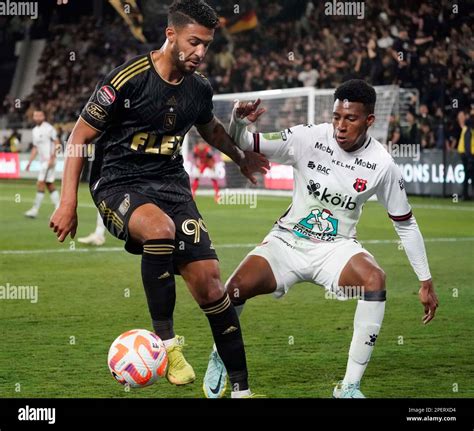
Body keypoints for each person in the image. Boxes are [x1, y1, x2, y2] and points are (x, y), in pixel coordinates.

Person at [49, 0, 269, 398]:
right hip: (118, 183)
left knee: (211, 287)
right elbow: (79, 137)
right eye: (194, 42)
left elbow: (212, 130)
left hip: (170, 185)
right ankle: (168, 346)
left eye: (206, 45)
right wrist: (67, 202)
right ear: (171, 35)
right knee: (159, 229)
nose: (200, 53)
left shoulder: (199, 89)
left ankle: (241, 391)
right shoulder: (126, 80)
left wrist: (241, 157)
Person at [203, 79, 439, 398]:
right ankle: (221, 353)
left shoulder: (382, 165)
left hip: (335, 249)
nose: (340, 126)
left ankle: (350, 387)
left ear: (369, 120)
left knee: (374, 279)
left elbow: (405, 224)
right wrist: (237, 120)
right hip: (287, 242)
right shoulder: (308, 137)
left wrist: (425, 281)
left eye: (350, 119)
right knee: (232, 289)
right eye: (337, 117)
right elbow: (245, 142)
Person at [24, 110, 61, 218]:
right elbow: (35, 147)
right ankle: (58, 208)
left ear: (44, 116)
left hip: (49, 161)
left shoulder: (49, 128)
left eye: (40, 115)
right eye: (35, 115)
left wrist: (53, 158)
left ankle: (35, 210)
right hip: (43, 162)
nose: (37, 117)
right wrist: (29, 162)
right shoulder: (34, 130)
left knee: (40, 183)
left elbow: (57, 143)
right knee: (49, 184)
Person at [457, 111, 474, 200]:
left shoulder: (467, 129)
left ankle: (465, 195)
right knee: (469, 175)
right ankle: (465, 195)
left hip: (468, 155)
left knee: (468, 175)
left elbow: (467, 145)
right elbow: (467, 145)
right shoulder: (468, 129)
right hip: (468, 155)